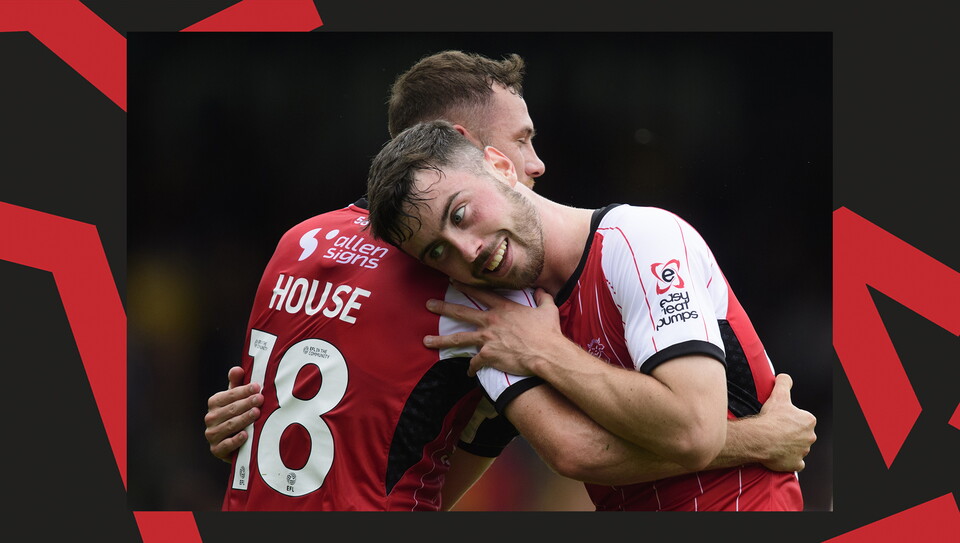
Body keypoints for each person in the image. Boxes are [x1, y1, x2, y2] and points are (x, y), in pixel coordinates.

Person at [208, 51, 816, 511]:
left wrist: (247, 423)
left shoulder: (303, 240)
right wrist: (760, 439)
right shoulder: (481, 300)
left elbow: (273, 418)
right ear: (469, 149)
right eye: (522, 140)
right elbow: (572, 450)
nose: (537, 163)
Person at [365, 118, 809, 510]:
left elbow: (695, 432)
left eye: (461, 214)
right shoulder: (494, 319)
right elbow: (575, 453)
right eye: (438, 251)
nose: (468, 250)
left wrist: (547, 351)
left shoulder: (642, 239)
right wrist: (758, 440)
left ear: (500, 166)